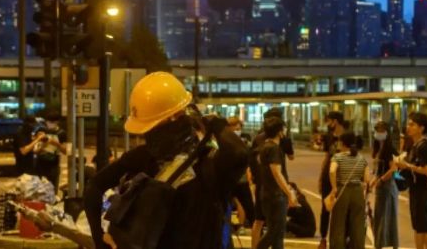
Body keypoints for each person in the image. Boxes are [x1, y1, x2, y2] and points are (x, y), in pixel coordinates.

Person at [84, 71, 250, 249]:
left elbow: (94, 186)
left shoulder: (141, 157)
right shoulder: (208, 159)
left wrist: (98, 237)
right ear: (179, 114)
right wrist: (217, 125)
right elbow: (239, 153)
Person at [248, 108, 294, 249]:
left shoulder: (259, 139)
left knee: (263, 223)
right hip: (276, 190)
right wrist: (289, 193)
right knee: (275, 230)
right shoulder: (276, 145)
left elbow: (252, 160)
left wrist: (253, 180)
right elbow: (279, 171)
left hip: (263, 186)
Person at [256, 116, 299, 249]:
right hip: (276, 196)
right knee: (275, 232)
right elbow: (277, 173)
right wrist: (289, 193)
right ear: (279, 131)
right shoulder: (274, 148)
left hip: (267, 194)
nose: (285, 130)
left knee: (278, 234)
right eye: (284, 128)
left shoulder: (264, 147)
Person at [395, 112, 427, 249]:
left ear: (421, 128)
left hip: (423, 191)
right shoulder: (416, 144)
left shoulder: (423, 146)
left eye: (412, 124)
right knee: (418, 227)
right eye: (408, 124)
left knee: (425, 228)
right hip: (416, 190)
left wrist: (407, 166)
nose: (408, 127)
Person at [327, 132, 370, 249]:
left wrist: (334, 187)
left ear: (342, 143)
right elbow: (367, 178)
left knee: (338, 223)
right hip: (357, 191)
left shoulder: (337, 157)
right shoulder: (361, 158)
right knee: (357, 224)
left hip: (342, 190)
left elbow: (332, 171)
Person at [318, 111, 347, 249]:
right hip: (327, 177)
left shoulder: (348, 136)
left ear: (335, 121)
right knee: (325, 208)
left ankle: (341, 239)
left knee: (342, 209)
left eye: (329, 121)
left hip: (342, 177)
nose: (328, 124)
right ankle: (323, 238)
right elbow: (326, 157)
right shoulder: (328, 137)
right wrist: (320, 177)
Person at [370, 121, 399, 249]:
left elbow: (393, 169)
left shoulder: (390, 149)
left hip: (387, 188)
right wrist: (372, 180)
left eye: (381, 131)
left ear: (387, 133)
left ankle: (386, 245)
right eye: (377, 131)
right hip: (380, 188)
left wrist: (381, 180)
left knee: (387, 218)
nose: (378, 134)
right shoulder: (378, 149)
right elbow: (377, 170)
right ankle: (380, 244)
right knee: (379, 217)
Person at [32, 114, 67, 190]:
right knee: (39, 190)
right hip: (40, 164)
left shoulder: (61, 133)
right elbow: (35, 149)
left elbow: (66, 151)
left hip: (53, 166)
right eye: (48, 122)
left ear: (57, 122)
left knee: (52, 190)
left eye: (52, 122)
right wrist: (41, 145)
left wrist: (54, 143)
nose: (49, 124)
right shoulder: (41, 131)